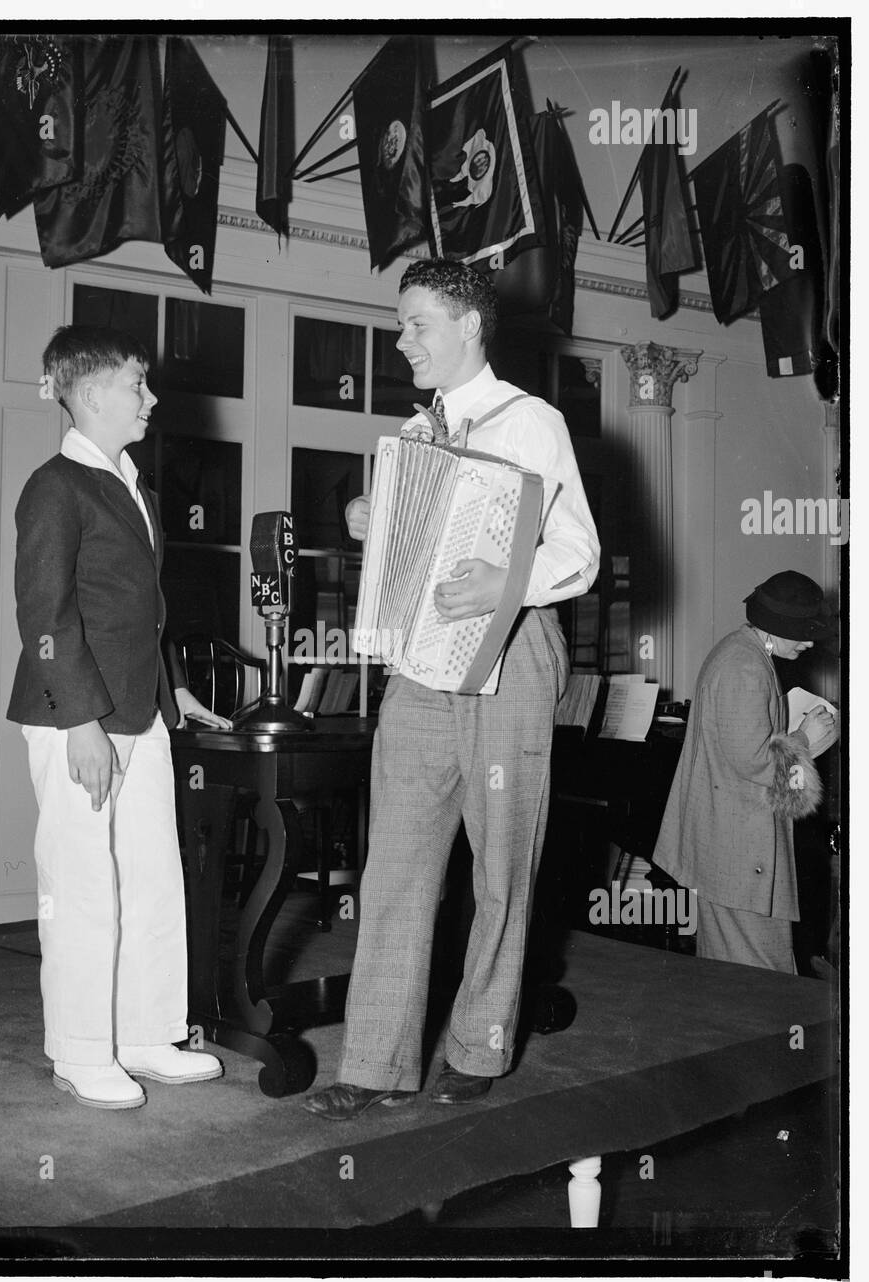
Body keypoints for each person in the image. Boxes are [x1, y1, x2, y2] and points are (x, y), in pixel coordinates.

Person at [304, 258, 600, 1120]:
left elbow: (577, 552)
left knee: (502, 865)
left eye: (417, 324)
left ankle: (478, 1046)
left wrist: (506, 583)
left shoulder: (530, 422)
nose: (402, 342)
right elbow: (413, 549)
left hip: (511, 652)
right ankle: (372, 1062)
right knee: (393, 862)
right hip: (423, 665)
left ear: (469, 325)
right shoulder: (414, 432)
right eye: (401, 326)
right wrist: (370, 520)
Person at [7, 324, 228, 1109]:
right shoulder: (55, 485)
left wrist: (176, 694)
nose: (152, 398)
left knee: (151, 879)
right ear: (93, 393)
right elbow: (44, 611)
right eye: (139, 384)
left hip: (142, 712)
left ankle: (144, 1034)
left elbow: (142, 616)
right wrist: (78, 722)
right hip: (78, 715)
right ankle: (79, 1050)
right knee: (83, 883)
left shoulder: (133, 485)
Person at [653, 571, 836, 973]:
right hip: (740, 852)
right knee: (760, 977)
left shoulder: (743, 653)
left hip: (731, 846)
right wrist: (805, 738)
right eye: (803, 632)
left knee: (732, 973)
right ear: (777, 627)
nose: (809, 642)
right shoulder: (745, 667)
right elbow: (752, 759)